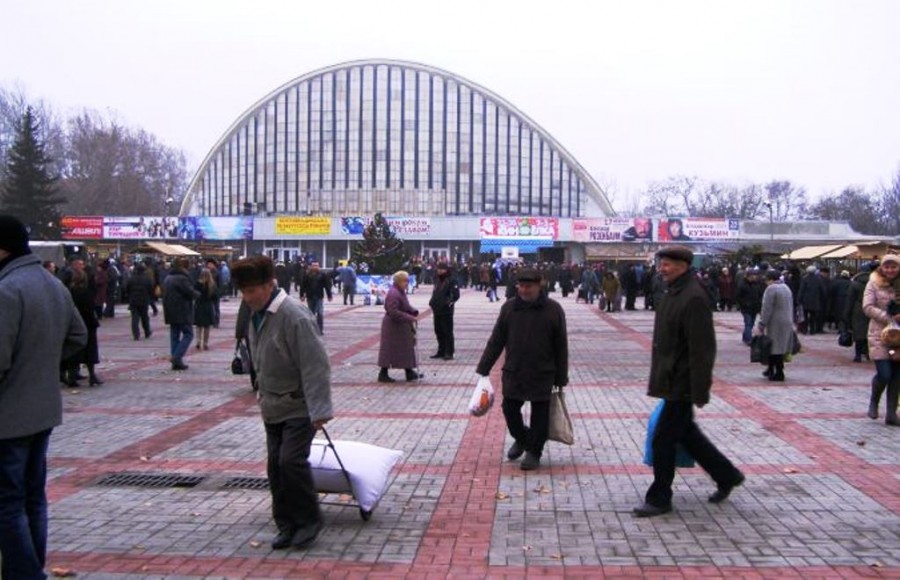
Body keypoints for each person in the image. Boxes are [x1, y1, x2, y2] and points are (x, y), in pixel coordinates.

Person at [0, 215, 87, 579]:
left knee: (7, 503)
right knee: (34, 497)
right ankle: (34, 564)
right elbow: (78, 336)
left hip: (8, 416)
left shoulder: (6, 290)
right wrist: (44, 363)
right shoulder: (52, 284)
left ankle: (26, 574)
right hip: (44, 410)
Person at [230, 255, 333, 549]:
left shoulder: (295, 316)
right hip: (272, 405)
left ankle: (308, 521)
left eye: (252, 291)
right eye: (243, 291)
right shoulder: (256, 313)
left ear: (269, 285)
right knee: (275, 466)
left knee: (290, 462)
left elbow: (316, 365)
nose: (247, 297)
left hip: (299, 405)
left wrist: (320, 409)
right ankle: (286, 523)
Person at [633, 246, 744, 517]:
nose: (662, 268)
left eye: (668, 264)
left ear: (683, 265)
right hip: (671, 376)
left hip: (681, 382)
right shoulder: (673, 291)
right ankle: (726, 475)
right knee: (687, 435)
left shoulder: (693, 297)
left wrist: (699, 389)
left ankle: (660, 497)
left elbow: (703, 348)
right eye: (662, 264)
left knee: (663, 440)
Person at [475, 268, 568, 471]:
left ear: (539, 286)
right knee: (509, 409)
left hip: (543, 372)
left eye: (529, 287)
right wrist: (484, 367)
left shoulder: (553, 309)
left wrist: (561, 376)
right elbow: (496, 340)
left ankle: (534, 451)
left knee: (540, 415)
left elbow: (561, 345)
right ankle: (522, 438)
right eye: (521, 286)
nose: (524, 290)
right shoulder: (509, 308)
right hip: (514, 370)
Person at [862, 254, 900, 425]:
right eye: (887, 267)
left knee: (897, 376)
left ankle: (891, 414)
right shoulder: (874, 282)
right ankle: (874, 401)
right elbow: (867, 307)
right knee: (884, 374)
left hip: (899, 337)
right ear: (882, 268)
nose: (890, 270)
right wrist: (888, 317)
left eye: (894, 267)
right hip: (880, 334)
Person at [377, 271, 423, 383]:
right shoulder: (394, 293)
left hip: (400, 326)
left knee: (406, 348)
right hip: (393, 327)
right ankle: (383, 373)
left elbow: (404, 305)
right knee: (390, 350)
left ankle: (409, 371)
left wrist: (412, 311)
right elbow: (393, 311)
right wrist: (409, 317)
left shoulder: (399, 291)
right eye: (405, 281)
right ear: (399, 281)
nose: (407, 283)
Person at [63, 268, 104, 386]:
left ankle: (72, 376)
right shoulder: (86, 293)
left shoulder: (68, 292)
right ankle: (92, 375)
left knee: (74, 351)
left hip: (72, 325)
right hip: (87, 323)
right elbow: (91, 307)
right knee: (90, 351)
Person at [755, 269, 795, 382]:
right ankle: (771, 369)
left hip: (775, 321)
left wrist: (762, 323)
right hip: (787, 320)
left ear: (770, 279)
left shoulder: (771, 289)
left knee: (774, 347)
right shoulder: (786, 288)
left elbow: (767, 308)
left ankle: (779, 372)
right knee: (780, 346)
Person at [163, 257, 200, 371]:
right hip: (182, 310)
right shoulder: (182, 278)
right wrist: (198, 293)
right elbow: (189, 292)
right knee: (188, 334)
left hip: (170, 310)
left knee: (174, 335)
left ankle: (176, 362)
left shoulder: (168, 278)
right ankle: (177, 357)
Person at [429, 262, 460, 360]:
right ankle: (441, 351)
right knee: (438, 331)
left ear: (446, 270)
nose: (439, 270)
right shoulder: (438, 280)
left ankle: (449, 352)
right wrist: (432, 302)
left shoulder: (452, 280)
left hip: (446, 311)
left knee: (447, 332)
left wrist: (448, 302)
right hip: (437, 310)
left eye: (441, 269)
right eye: (438, 269)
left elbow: (455, 295)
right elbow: (435, 292)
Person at [846, 263, 874, 363]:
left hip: (858, 309)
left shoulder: (855, 283)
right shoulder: (874, 282)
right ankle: (868, 353)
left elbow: (850, 299)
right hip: (872, 308)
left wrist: (847, 313)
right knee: (870, 331)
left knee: (858, 332)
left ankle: (858, 355)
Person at [299, 261, 333, 334]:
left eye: (316, 266)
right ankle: (311, 329)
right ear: (311, 266)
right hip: (310, 296)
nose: (315, 267)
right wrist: (302, 295)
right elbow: (303, 286)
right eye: (313, 265)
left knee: (320, 312)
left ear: (318, 266)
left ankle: (320, 329)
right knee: (311, 313)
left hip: (319, 296)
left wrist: (329, 295)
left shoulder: (322, 275)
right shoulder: (307, 275)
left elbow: (327, 286)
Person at [125, 262, 154, 340]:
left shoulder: (131, 278)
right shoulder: (147, 279)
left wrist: (130, 296)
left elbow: (127, 289)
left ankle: (136, 334)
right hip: (144, 300)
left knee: (135, 318)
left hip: (133, 300)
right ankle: (147, 332)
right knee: (145, 317)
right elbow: (151, 289)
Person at [736, 267, 764, 345]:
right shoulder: (742, 285)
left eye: (755, 276)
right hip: (746, 308)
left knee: (751, 323)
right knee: (748, 323)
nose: (754, 277)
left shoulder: (757, 284)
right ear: (748, 276)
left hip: (755, 307)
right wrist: (744, 304)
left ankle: (745, 337)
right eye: (752, 276)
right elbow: (738, 296)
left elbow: (760, 294)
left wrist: (760, 303)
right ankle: (748, 339)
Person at [194, 268, 218, 350]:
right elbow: (215, 297)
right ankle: (205, 343)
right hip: (208, 306)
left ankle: (198, 341)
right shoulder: (212, 285)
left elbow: (194, 294)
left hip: (199, 306)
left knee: (199, 326)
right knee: (207, 327)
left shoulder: (197, 284)